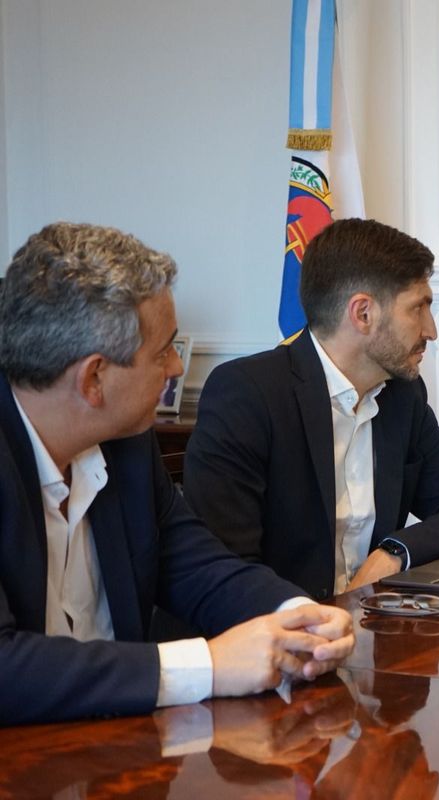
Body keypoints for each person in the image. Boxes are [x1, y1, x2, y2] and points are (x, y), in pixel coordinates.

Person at [0, 222, 355, 725]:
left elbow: (195, 565)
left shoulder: (126, 442)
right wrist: (207, 665)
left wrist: (297, 617)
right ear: (94, 379)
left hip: (118, 749)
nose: (175, 367)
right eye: (163, 350)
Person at [184, 218, 439, 599]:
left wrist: (394, 554)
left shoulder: (402, 396)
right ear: (363, 314)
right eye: (418, 308)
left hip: (371, 630)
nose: (431, 330)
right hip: (275, 639)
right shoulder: (248, 394)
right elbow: (225, 568)